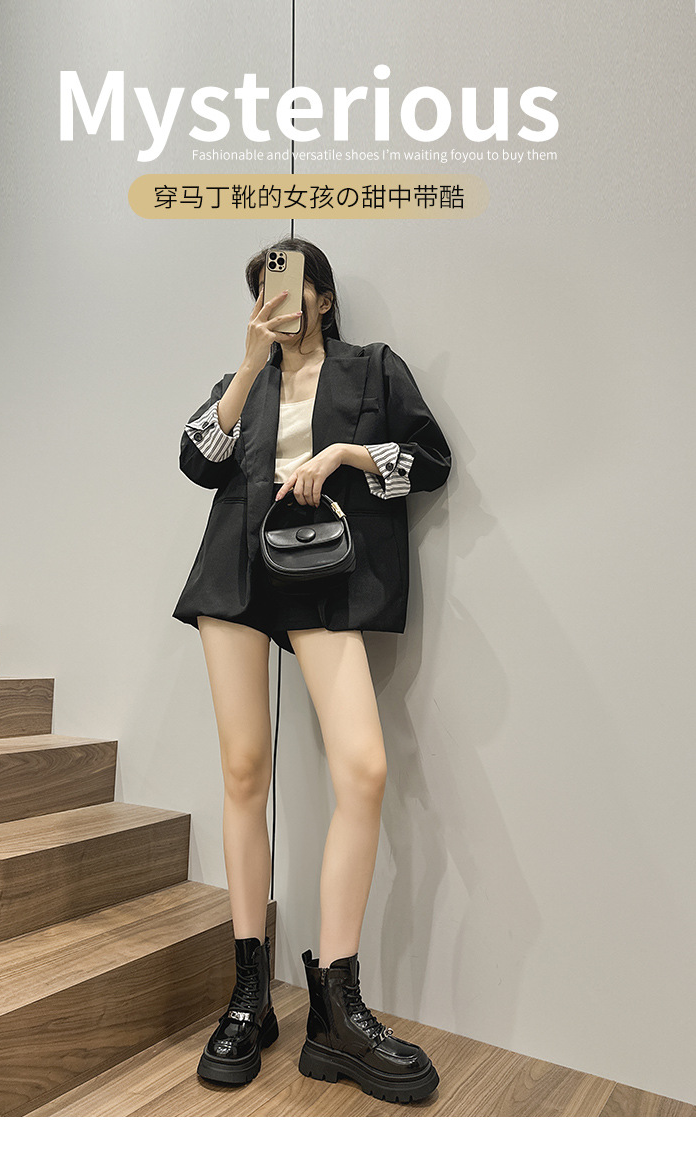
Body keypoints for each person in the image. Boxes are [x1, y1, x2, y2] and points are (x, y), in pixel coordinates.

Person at [172, 237, 452, 1104]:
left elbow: (430, 460)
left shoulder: (373, 369)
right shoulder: (245, 378)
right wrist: (247, 364)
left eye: (292, 286)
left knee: (362, 771)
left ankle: (335, 1008)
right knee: (244, 772)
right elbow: (197, 460)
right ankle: (249, 994)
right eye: (264, 289)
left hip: (322, 569)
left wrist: (347, 457)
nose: (279, 301)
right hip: (235, 568)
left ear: (323, 297)